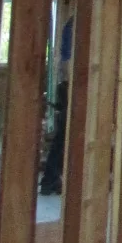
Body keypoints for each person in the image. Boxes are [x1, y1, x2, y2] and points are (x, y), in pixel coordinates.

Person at [39, 13, 73, 196]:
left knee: (64, 138)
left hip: (69, 87)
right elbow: (67, 62)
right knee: (64, 138)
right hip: (71, 88)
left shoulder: (72, 24)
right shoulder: (75, 26)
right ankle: (51, 179)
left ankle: (53, 179)